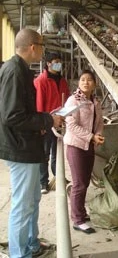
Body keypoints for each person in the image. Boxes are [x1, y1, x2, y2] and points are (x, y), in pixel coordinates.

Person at [0, 28, 64, 257]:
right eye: (43, 46)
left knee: (32, 200)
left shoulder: (22, 70)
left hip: (27, 145)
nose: (44, 51)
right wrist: (48, 119)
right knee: (22, 204)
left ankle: (30, 244)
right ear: (33, 47)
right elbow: (11, 115)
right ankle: (19, 253)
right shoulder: (14, 71)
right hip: (19, 147)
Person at [64, 69, 105, 234]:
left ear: (94, 84)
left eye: (89, 80)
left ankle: (80, 212)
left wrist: (99, 135)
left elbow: (100, 122)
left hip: (89, 146)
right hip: (76, 146)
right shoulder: (73, 101)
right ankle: (77, 220)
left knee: (85, 182)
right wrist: (91, 137)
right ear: (78, 83)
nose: (85, 82)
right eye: (82, 80)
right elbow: (71, 125)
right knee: (79, 184)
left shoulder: (95, 102)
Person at [34, 52, 70, 194]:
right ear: (48, 63)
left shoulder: (62, 80)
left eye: (60, 62)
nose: (58, 64)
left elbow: (66, 99)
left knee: (57, 152)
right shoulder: (41, 81)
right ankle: (43, 182)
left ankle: (58, 178)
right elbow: (39, 104)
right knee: (44, 153)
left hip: (60, 121)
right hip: (47, 122)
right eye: (56, 61)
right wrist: (41, 124)